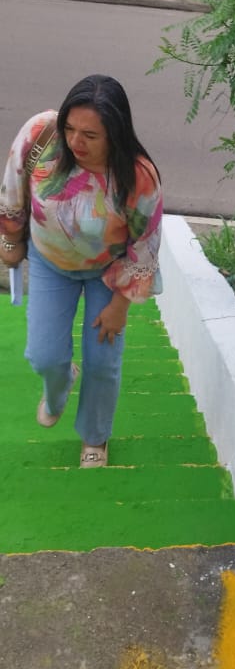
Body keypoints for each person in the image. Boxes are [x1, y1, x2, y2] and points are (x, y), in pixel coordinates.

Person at [0, 74, 162, 469]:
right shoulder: (41, 135)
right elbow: (13, 185)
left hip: (109, 270)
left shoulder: (138, 176)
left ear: (115, 134)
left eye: (90, 135)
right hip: (49, 262)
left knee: (102, 360)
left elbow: (145, 243)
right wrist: (11, 239)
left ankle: (95, 436)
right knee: (43, 356)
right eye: (70, 128)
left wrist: (121, 305)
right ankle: (59, 387)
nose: (75, 141)